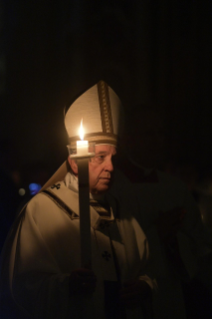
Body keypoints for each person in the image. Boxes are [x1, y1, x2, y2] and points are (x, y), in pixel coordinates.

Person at [0, 82, 155, 319]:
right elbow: (23, 287)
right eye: (100, 157)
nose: (111, 167)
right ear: (74, 162)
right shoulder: (43, 209)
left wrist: (145, 285)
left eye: (113, 157)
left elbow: (147, 268)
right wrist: (66, 286)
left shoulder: (121, 207)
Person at [110, 105, 212, 319]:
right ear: (128, 139)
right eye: (149, 134)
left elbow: (199, 245)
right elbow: (110, 249)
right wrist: (158, 232)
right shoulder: (111, 186)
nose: (157, 140)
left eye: (161, 133)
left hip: (169, 293)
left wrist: (174, 242)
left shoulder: (175, 187)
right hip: (129, 294)